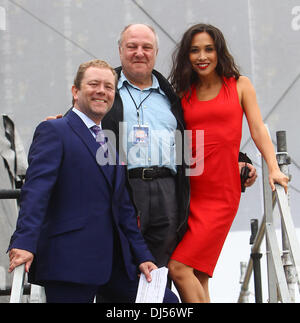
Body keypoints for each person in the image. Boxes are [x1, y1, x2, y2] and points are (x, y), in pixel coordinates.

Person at [7, 59, 178, 303]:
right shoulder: (54, 130)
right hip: (69, 263)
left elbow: (123, 209)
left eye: (108, 87)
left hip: (114, 265)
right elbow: (36, 192)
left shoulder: (109, 142)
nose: (102, 91)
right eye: (94, 84)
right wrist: (24, 242)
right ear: (75, 91)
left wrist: (142, 256)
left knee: (167, 302)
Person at [101, 23, 257, 268]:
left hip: (169, 192)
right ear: (120, 50)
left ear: (155, 53)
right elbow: (83, 117)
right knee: (122, 268)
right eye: (132, 46)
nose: (139, 52)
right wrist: (65, 121)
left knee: (163, 271)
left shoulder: (171, 95)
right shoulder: (105, 89)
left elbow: (197, 135)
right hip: (124, 188)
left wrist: (239, 158)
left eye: (146, 47)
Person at [167, 23, 289, 303]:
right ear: (186, 55)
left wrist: (272, 166)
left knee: (178, 267)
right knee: (197, 274)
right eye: (194, 50)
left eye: (208, 49)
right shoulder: (181, 94)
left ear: (219, 52)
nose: (202, 56)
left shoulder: (240, 85)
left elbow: (258, 129)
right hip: (188, 193)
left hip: (221, 193)